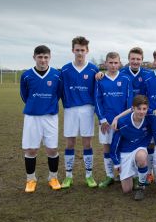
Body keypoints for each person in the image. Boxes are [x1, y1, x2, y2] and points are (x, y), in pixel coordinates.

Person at [20, 45, 63, 192]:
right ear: (34, 57)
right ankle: (31, 179)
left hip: (50, 117)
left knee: (52, 149)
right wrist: (35, 105)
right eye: (40, 57)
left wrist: (47, 105)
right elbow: (24, 95)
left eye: (46, 57)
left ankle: (53, 177)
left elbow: (58, 94)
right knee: (31, 150)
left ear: (49, 58)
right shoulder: (26, 75)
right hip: (32, 117)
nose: (43, 60)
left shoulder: (57, 75)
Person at [60, 36, 99, 189]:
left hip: (87, 109)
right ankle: (68, 176)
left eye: (83, 50)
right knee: (70, 142)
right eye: (77, 50)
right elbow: (60, 90)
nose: (80, 53)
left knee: (87, 142)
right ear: (72, 50)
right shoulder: (65, 69)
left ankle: (89, 176)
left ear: (87, 51)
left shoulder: (93, 69)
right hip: (70, 109)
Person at [94, 52, 133, 188]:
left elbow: (130, 101)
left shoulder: (126, 79)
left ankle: (124, 174)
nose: (113, 65)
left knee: (123, 147)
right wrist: (102, 119)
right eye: (110, 62)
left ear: (120, 63)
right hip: (106, 122)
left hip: (122, 121)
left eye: (116, 62)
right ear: (106, 63)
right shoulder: (100, 80)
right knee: (107, 148)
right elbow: (97, 101)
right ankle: (109, 175)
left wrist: (124, 119)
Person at [119, 47, 154, 183]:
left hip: (142, 112)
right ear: (128, 60)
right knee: (123, 141)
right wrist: (101, 74)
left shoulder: (147, 73)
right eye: (133, 59)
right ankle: (117, 172)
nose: (135, 61)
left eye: (138, 59)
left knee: (148, 142)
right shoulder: (121, 72)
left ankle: (148, 172)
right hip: (126, 112)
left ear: (142, 60)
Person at [110, 95, 152, 200]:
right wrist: (116, 163)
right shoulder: (123, 122)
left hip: (140, 148)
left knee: (142, 157)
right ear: (133, 108)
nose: (142, 112)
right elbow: (114, 144)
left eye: (144, 109)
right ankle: (134, 176)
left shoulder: (150, 118)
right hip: (126, 151)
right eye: (139, 109)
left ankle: (141, 186)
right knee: (127, 190)